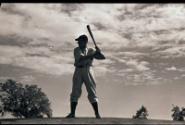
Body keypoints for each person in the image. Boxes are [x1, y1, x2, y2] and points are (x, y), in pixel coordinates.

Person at [66, 34, 105, 119]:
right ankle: (72, 113)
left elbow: (102, 57)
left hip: (88, 70)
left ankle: (97, 114)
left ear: (85, 42)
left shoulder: (91, 50)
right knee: (75, 91)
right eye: (78, 41)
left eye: (80, 41)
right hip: (78, 70)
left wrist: (99, 51)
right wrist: (94, 54)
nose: (78, 42)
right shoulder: (76, 50)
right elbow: (81, 58)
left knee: (92, 91)